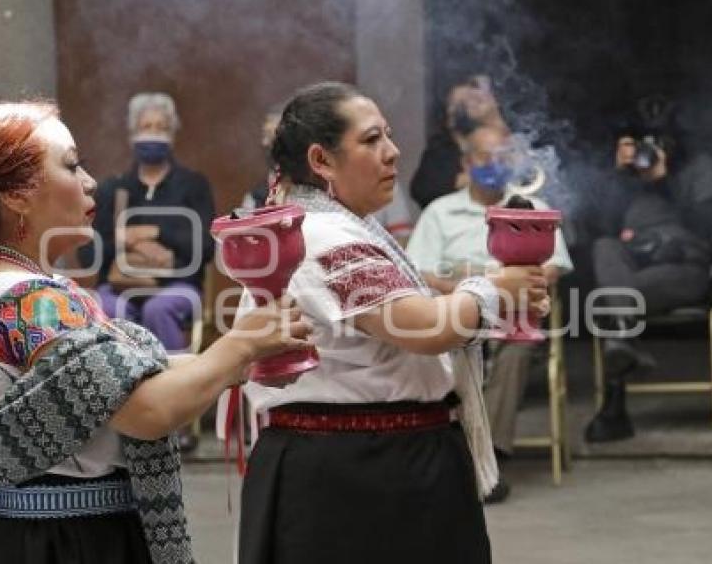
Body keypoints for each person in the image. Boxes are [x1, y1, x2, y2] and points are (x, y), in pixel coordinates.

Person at [0, 101, 312, 564]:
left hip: (35, 538)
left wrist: (242, 361)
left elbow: (125, 382)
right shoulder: (28, 300)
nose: (89, 181)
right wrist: (240, 344)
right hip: (72, 544)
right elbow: (146, 409)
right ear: (16, 195)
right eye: (71, 165)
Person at [229, 82, 549, 564]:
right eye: (372, 139)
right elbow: (421, 327)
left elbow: (407, 286)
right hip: (355, 472)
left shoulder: (334, 222)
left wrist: (484, 283)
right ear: (321, 160)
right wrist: (495, 291)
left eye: (389, 136)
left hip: (377, 458)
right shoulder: (321, 234)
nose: (393, 152)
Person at [407, 125, 574, 502]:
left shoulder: (534, 207)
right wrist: (481, 287)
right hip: (456, 308)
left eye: (504, 158)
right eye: (486, 158)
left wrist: (505, 286)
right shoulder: (440, 211)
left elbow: (553, 266)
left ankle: (488, 458)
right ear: (467, 163)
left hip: (513, 312)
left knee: (515, 347)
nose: (496, 166)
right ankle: (452, 452)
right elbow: (423, 273)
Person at [584, 95, 712, 442]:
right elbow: (598, 230)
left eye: (660, 140)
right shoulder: (626, 175)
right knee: (604, 249)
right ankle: (623, 337)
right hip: (632, 267)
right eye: (644, 141)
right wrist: (618, 177)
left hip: (683, 268)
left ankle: (614, 405)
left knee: (610, 299)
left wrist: (664, 181)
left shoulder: (699, 168)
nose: (650, 150)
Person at [81, 92, 215, 452]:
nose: (152, 134)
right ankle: (120, 412)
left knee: (160, 309)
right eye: (145, 127)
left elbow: (205, 246)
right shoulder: (114, 189)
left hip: (178, 287)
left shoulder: (193, 186)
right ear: (131, 133)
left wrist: (151, 232)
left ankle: (176, 414)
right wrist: (124, 240)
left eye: (160, 127)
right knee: (108, 311)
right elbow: (88, 250)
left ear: (173, 133)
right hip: (120, 287)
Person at [410, 75, 509, 209]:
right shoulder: (441, 149)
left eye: (477, 100)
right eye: (460, 105)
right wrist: (473, 179)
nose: (470, 106)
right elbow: (422, 189)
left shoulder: (516, 137)